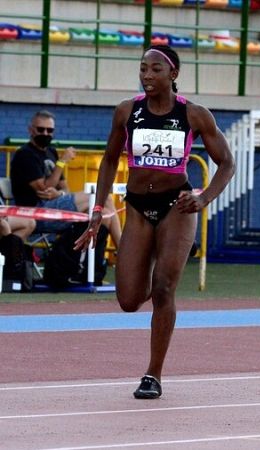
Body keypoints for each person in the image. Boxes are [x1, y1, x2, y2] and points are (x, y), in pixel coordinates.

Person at [74, 45, 235, 399]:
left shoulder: (194, 114)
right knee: (129, 299)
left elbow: (227, 162)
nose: (147, 75)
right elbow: (109, 160)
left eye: (155, 69)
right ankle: (153, 262)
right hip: (137, 207)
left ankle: (153, 374)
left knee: (163, 289)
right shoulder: (127, 111)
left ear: (173, 74)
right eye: (143, 69)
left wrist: (204, 197)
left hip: (177, 206)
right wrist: (97, 210)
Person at [10, 111, 122, 245]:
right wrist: (62, 162)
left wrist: (59, 194)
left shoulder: (51, 152)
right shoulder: (25, 154)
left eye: (49, 130)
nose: (45, 133)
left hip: (55, 208)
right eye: (41, 129)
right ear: (31, 130)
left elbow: (65, 189)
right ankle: (122, 250)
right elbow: (44, 189)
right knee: (104, 197)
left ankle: (90, 258)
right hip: (35, 212)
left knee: (105, 215)